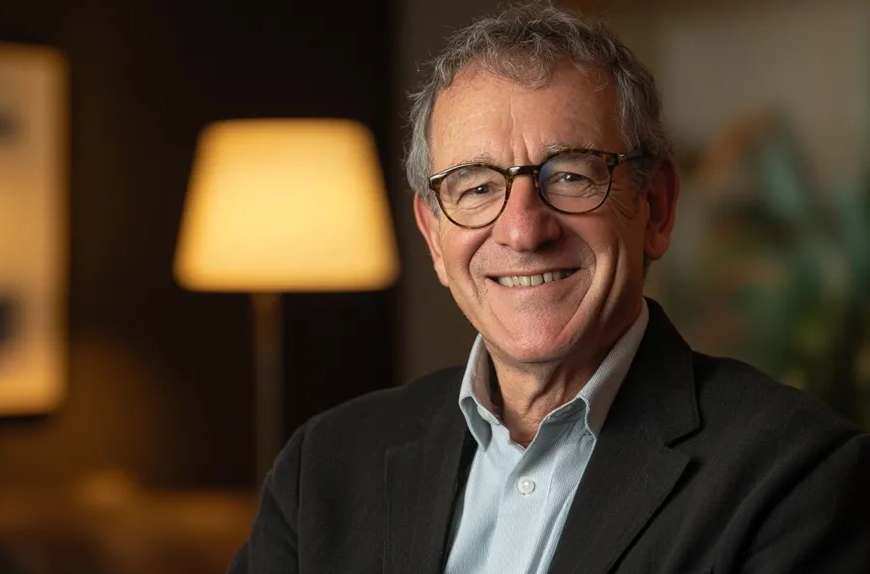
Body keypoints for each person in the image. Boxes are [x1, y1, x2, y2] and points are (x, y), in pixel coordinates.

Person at [228, 2, 870, 572]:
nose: (523, 230)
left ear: (657, 206)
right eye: (476, 187)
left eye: (569, 176)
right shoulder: (325, 470)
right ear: (432, 236)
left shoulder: (798, 475)